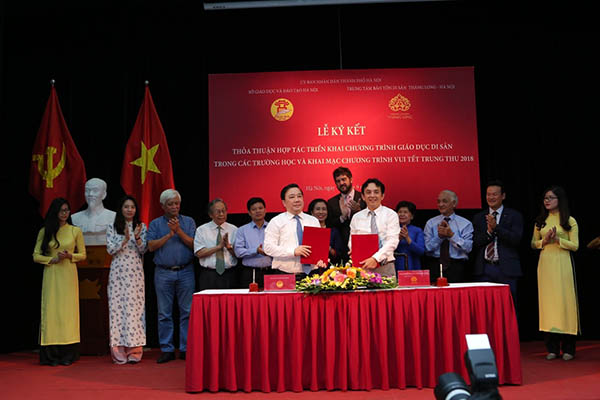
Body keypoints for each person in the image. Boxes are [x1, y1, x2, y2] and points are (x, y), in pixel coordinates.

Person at [33, 197, 86, 366]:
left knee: (69, 312)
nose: (65, 214)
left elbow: (83, 255)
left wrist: (70, 256)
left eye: (67, 210)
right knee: (51, 311)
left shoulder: (75, 231)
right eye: (62, 210)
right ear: (55, 211)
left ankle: (68, 354)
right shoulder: (45, 231)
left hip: (68, 274)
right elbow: (35, 256)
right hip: (52, 273)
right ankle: (51, 354)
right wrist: (52, 259)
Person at [147, 189, 196, 363]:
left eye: (177, 203)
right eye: (170, 204)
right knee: (164, 313)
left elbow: (195, 245)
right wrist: (169, 234)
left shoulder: (188, 222)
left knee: (187, 312)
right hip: (163, 272)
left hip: (185, 271)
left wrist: (178, 231)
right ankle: (167, 349)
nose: (175, 207)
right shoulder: (155, 224)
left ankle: (185, 348)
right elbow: (150, 246)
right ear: (163, 206)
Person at [531, 186, 579, 361]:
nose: (547, 201)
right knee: (548, 304)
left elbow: (575, 245)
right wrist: (544, 241)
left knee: (564, 304)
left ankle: (568, 348)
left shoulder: (569, 221)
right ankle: (552, 347)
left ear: (560, 200)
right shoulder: (540, 221)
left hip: (562, 263)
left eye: (551, 198)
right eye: (545, 198)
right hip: (545, 264)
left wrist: (558, 239)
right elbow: (533, 243)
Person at [106, 195, 147, 364]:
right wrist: (124, 240)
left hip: (135, 272)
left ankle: (135, 350)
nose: (130, 210)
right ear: (121, 209)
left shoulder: (141, 226)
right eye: (126, 207)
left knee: (135, 309)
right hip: (118, 272)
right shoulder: (112, 227)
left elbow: (143, 250)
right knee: (117, 309)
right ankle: (119, 350)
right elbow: (110, 250)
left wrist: (137, 237)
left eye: (132, 207)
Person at [472, 181, 523, 304]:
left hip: (506, 269)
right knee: (485, 305)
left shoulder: (514, 215)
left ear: (503, 196)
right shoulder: (479, 217)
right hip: (484, 269)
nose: (491, 197)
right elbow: (475, 242)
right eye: (488, 194)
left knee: (508, 304)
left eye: (494, 194)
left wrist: (496, 228)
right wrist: (489, 233)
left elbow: (516, 240)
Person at [264, 183, 322, 278]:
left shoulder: (313, 221)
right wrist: (293, 251)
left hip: (311, 274)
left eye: (299, 196)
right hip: (285, 275)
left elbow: (318, 246)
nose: (297, 200)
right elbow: (268, 248)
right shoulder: (276, 221)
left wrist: (320, 258)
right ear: (284, 202)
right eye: (292, 197)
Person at [348, 178, 400, 277]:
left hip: (385, 266)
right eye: (368, 192)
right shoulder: (356, 217)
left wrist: (375, 258)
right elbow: (351, 240)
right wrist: (353, 249)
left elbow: (392, 241)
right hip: (362, 266)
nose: (372, 195)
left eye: (376, 192)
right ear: (363, 196)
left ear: (382, 196)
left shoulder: (391, 215)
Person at [424, 190, 473, 283]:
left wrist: (451, 236)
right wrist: (439, 237)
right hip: (435, 265)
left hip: (457, 266)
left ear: (454, 203)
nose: (440, 204)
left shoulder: (465, 223)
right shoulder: (431, 223)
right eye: (438, 201)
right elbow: (427, 248)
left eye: (444, 201)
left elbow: (468, 248)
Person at [194, 199, 238, 290]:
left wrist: (229, 248)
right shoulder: (202, 230)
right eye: (218, 211)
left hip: (229, 274)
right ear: (210, 214)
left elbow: (239, 255)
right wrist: (218, 247)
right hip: (209, 275)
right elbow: (199, 253)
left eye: (223, 211)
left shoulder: (234, 229)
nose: (221, 214)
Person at [326, 167, 366, 262]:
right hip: (340, 251)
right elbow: (329, 225)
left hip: (361, 246)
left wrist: (359, 212)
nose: (341, 183)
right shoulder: (332, 202)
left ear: (351, 179)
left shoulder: (363, 198)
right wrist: (342, 217)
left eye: (344, 179)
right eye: (338, 181)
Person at [234, 197, 272, 288]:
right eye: (254, 209)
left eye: (260, 208)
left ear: (265, 210)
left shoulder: (273, 227)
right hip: (250, 273)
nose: (258, 211)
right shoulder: (242, 230)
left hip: (271, 271)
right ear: (249, 212)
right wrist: (255, 250)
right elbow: (238, 252)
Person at [71, 178, 116, 245]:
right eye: (87, 190)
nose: (90, 194)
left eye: (95, 190)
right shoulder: (74, 218)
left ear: (104, 194)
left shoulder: (113, 216)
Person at [308, 198, 345, 266]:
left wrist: (328, 248)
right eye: (318, 209)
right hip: (309, 267)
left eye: (324, 209)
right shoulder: (306, 230)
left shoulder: (334, 231)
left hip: (330, 268)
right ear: (312, 212)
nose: (321, 212)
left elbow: (339, 255)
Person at [393, 200, 425, 271]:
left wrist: (408, 239)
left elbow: (421, 251)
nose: (402, 214)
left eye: (405, 212)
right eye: (400, 212)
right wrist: (398, 239)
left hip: (413, 267)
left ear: (412, 216)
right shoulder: (392, 229)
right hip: (395, 267)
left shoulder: (417, 231)